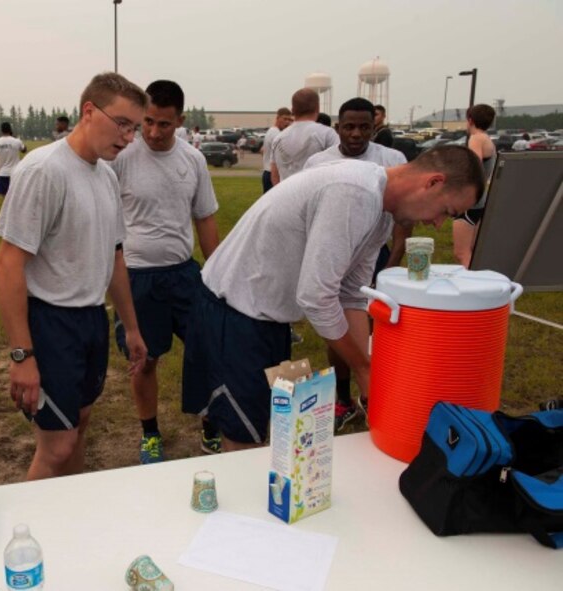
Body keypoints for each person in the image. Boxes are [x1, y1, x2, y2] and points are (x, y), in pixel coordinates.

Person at [182, 145, 484, 452]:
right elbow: (316, 297)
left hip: (268, 315)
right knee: (243, 437)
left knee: (264, 424)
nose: (438, 224)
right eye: (446, 211)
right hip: (234, 310)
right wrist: (364, 369)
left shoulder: (381, 210)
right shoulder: (353, 194)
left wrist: (368, 371)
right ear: (433, 182)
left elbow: (351, 294)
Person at [0, 72, 148, 480]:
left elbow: (114, 255)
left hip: (91, 319)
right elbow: (8, 265)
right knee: (57, 446)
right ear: (89, 112)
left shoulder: (106, 175)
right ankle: (25, 536)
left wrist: (130, 327)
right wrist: (21, 356)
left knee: (79, 429)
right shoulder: (44, 170)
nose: (130, 137)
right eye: (123, 124)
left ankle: (70, 523)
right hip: (51, 322)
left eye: (134, 128)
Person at [110, 80, 221, 463]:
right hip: (138, 278)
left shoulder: (193, 160)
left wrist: (218, 275)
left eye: (165, 125)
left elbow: (204, 218)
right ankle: (151, 434)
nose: (154, 133)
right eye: (148, 123)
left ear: (181, 121)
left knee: (207, 352)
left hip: (185, 276)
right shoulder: (121, 157)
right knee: (145, 360)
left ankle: (211, 425)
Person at [304, 97, 409, 432]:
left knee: (378, 328)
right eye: (349, 126)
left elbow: (402, 219)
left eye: (364, 127)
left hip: (373, 253)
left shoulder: (391, 160)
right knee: (336, 329)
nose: (356, 134)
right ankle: (342, 397)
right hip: (334, 253)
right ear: (337, 127)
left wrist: (390, 264)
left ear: (374, 127)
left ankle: (376, 396)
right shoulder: (319, 162)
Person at [453, 104, 497, 268]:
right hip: (480, 198)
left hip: (471, 200)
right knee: (471, 250)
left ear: (470, 120)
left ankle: (470, 287)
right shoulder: (486, 139)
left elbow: (474, 168)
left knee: (462, 252)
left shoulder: (476, 139)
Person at [271, 88, 339, 184]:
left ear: (293, 110)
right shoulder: (327, 134)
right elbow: (340, 166)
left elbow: (274, 174)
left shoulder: (278, 138)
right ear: (318, 108)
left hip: (287, 194)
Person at [260, 107, 293, 193]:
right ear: (277, 118)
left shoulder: (272, 131)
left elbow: (262, 150)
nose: (287, 122)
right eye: (285, 119)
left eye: (290, 120)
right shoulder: (276, 134)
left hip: (269, 172)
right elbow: (284, 155)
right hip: (273, 174)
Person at [0, 122, 27, 197]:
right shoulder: (17, 141)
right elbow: (24, 150)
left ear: (1, 130)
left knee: (5, 198)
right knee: (17, 196)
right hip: (16, 172)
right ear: (10, 129)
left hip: (3, 173)